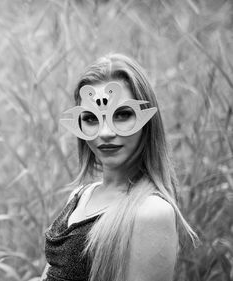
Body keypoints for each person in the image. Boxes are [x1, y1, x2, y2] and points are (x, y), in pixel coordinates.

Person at [41, 53, 198, 281]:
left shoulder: (150, 212)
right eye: (91, 118)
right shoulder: (80, 196)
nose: (105, 133)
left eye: (123, 115)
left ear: (147, 122)